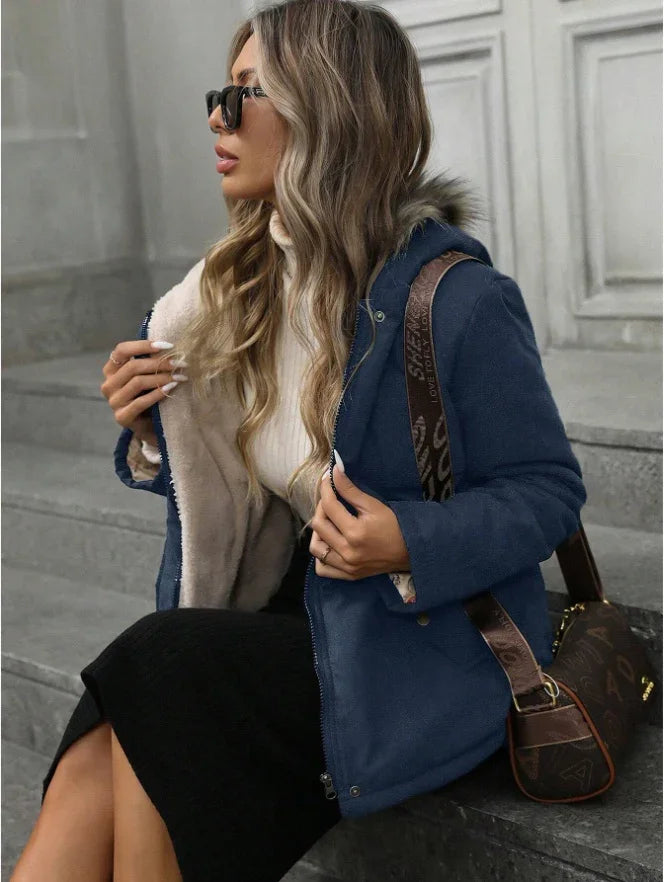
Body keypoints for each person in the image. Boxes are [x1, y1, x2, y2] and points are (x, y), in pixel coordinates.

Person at [11, 0, 587, 880]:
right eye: (220, 92)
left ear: (327, 111)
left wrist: (408, 539)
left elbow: (547, 490)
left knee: (158, 677)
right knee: (110, 735)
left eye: (245, 94)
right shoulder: (235, 290)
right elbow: (241, 494)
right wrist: (153, 428)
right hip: (291, 614)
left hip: (412, 636)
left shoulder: (457, 299)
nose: (216, 116)